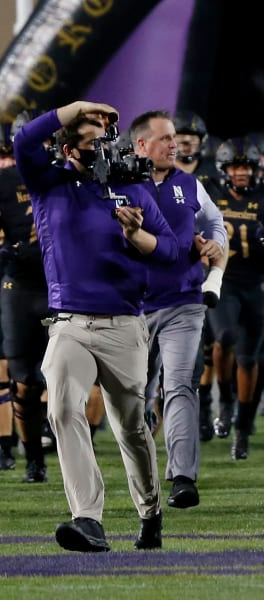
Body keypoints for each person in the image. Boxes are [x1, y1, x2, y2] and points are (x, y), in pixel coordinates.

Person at [14, 101, 179, 553]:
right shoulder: (51, 184)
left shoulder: (134, 190)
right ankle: (88, 519)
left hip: (125, 322)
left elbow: (169, 251)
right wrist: (78, 108)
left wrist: (137, 237)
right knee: (63, 408)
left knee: (131, 427)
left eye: (105, 139)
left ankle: (150, 511)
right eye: (89, 141)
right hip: (70, 321)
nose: (101, 147)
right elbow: (24, 139)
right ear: (68, 148)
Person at [130, 111, 226, 510]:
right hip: (130, 306)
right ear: (141, 145)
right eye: (166, 138)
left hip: (184, 301)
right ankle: (143, 477)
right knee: (136, 395)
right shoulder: (121, 185)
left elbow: (214, 221)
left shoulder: (189, 183)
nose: (175, 145)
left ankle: (183, 477)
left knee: (181, 384)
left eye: (175, 138)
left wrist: (215, 244)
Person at [207, 136, 264, 460]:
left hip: (258, 283)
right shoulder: (210, 194)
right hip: (223, 279)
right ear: (224, 169)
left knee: (249, 358)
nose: (241, 173)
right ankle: (225, 402)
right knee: (224, 337)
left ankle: (242, 428)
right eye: (235, 166)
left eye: (247, 167)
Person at [0, 113, 51, 483]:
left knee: (65, 378)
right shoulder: (4, 181)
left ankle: (67, 446)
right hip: (21, 287)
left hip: (63, 287)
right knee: (24, 382)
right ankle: (34, 456)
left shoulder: (66, 176)